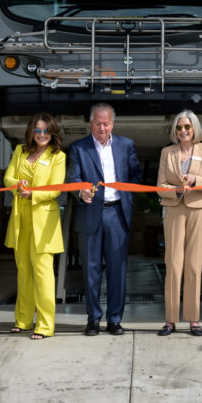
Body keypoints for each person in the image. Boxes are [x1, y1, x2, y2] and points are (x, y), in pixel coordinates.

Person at [67, 103, 142, 336]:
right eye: (98, 123)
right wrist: (82, 192)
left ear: (113, 124)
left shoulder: (126, 145)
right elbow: (73, 178)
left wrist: (129, 191)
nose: (102, 127)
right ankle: (93, 319)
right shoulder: (78, 148)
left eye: (106, 123)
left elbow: (136, 175)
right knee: (91, 271)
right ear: (91, 123)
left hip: (117, 213)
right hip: (89, 213)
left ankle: (115, 319)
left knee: (117, 270)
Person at [155, 110, 202, 337]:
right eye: (179, 127)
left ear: (195, 129)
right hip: (173, 209)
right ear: (174, 130)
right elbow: (160, 185)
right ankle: (170, 320)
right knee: (173, 264)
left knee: (193, 265)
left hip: (200, 209)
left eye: (187, 127)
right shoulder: (166, 152)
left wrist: (195, 180)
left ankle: (194, 320)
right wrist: (176, 190)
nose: (183, 131)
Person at [3, 112, 66, 339]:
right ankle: (23, 320)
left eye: (46, 130)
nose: (41, 134)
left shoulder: (58, 156)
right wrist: (17, 184)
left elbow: (56, 187)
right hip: (21, 219)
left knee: (43, 275)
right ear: (31, 131)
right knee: (23, 273)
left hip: (44, 221)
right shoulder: (19, 151)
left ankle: (45, 325)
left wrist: (33, 194)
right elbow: (8, 178)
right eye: (37, 130)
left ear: (52, 133)